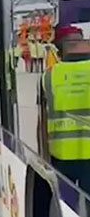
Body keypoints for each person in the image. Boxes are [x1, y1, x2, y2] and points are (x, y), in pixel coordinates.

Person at [39, 25, 90, 193]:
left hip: (60, 157)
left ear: (59, 50)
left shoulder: (48, 76)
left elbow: (43, 122)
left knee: (64, 204)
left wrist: (44, 159)